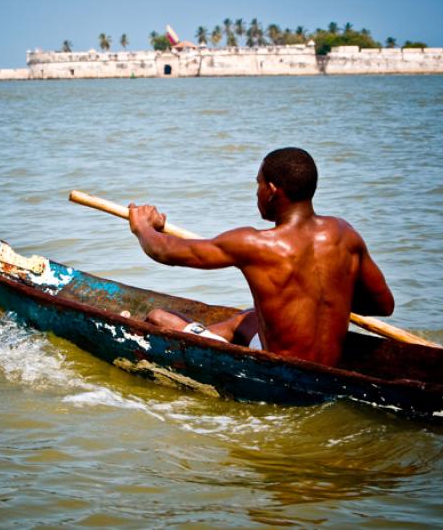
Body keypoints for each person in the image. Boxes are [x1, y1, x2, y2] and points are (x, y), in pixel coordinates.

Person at [128, 147, 394, 367]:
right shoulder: (345, 235)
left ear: (272, 189)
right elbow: (383, 306)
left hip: (278, 370)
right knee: (250, 317)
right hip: (330, 365)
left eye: (257, 184)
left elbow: (165, 251)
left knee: (158, 317)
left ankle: (203, 339)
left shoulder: (255, 243)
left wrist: (143, 227)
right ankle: (213, 334)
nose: (256, 192)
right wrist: (327, 294)